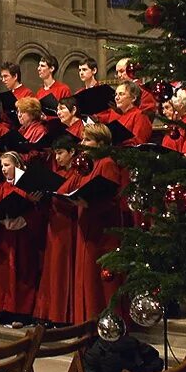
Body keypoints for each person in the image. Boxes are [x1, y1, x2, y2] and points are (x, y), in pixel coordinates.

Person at [72, 123, 127, 324]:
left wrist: (88, 203)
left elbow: (112, 198)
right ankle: (89, 324)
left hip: (102, 231)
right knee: (88, 280)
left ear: (101, 143)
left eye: (87, 140)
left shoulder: (107, 163)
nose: (82, 143)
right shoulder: (90, 164)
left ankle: (107, 325)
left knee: (102, 282)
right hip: (88, 226)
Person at [0, 151, 44, 325]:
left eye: (7, 165)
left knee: (22, 273)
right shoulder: (1, 187)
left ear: (18, 165)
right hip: (5, 236)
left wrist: (25, 219)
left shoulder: (28, 185)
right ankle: (3, 311)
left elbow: (39, 211)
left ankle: (21, 314)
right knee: (4, 275)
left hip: (24, 236)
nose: (4, 169)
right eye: (2, 165)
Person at [34, 135, 80, 325]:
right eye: (55, 154)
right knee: (52, 270)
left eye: (61, 153)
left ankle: (65, 315)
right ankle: (51, 314)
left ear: (72, 152)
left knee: (63, 269)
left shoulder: (78, 173)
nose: (58, 158)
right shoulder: (58, 174)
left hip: (69, 226)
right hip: (54, 224)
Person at [107, 81, 153, 145]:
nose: (116, 98)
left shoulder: (140, 116)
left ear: (133, 98)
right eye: (116, 94)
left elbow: (137, 143)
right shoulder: (120, 116)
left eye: (121, 94)